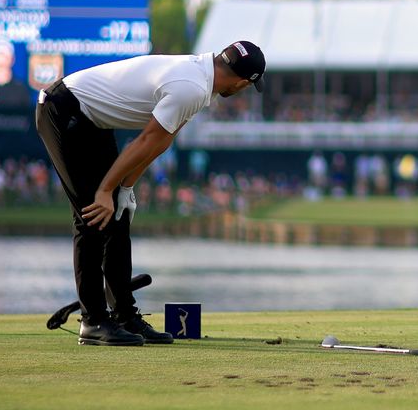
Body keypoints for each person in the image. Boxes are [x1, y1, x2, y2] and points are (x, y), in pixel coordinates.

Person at [35, 40, 265, 346]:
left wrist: (125, 189)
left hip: (93, 122)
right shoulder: (192, 87)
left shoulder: (201, 79)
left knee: (116, 215)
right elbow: (144, 141)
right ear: (241, 82)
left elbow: (160, 142)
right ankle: (93, 322)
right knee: (92, 216)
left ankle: (123, 316)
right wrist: (105, 190)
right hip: (63, 109)